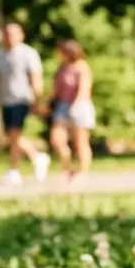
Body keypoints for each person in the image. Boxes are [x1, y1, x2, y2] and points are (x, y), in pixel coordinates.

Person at [0, 22, 48, 185]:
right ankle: (36, 156)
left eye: (12, 34)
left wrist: (37, 99)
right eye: (6, 34)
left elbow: (35, 78)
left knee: (14, 134)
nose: (9, 37)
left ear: (20, 35)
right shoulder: (0, 55)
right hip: (6, 99)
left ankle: (13, 169)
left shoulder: (28, 54)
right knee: (11, 136)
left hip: (22, 98)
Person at [46, 39, 95, 181]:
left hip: (79, 106)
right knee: (57, 139)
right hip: (62, 106)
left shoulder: (82, 67)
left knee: (80, 142)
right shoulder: (61, 68)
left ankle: (83, 172)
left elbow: (84, 89)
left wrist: (76, 106)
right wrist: (48, 105)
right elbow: (56, 91)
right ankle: (66, 168)